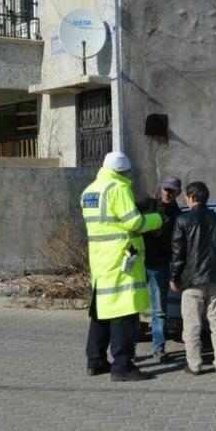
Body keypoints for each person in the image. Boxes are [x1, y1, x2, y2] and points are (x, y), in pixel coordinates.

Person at [81, 151, 164, 381]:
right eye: (127, 172)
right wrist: (158, 219)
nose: (129, 176)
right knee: (125, 314)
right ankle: (122, 366)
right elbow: (134, 222)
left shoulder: (90, 191)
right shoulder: (118, 188)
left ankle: (95, 361)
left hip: (100, 261)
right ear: (123, 171)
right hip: (121, 261)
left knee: (101, 313)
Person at [170, 182, 216, 376]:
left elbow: (178, 253)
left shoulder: (183, 220)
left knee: (192, 325)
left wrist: (174, 277)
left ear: (190, 197)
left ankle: (195, 365)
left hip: (192, 281)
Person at [136, 176, 183, 363]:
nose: (168, 193)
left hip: (159, 265)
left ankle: (158, 349)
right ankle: (128, 349)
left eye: (172, 190)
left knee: (159, 311)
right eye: (165, 189)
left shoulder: (178, 215)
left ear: (178, 193)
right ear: (160, 189)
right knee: (133, 310)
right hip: (138, 264)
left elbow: (176, 244)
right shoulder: (148, 204)